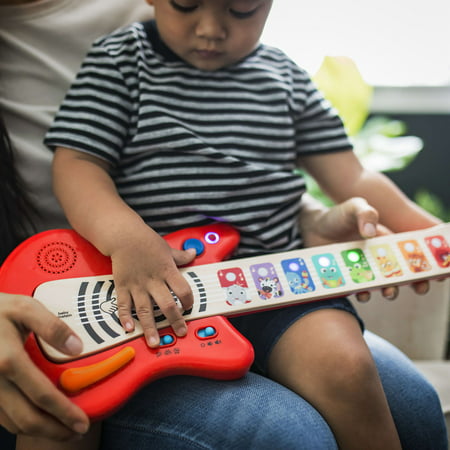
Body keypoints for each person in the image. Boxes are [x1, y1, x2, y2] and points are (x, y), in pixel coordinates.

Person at [0, 1, 447, 450]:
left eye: (242, 9)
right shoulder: (120, 58)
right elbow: (77, 162)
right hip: (157, 299)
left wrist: (433, 235)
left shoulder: (284, 75)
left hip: (275, 286)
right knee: (66, 413)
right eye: (186, 4)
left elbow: (353, 176)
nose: (211, 29)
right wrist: (125, 239)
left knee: (347, 367)